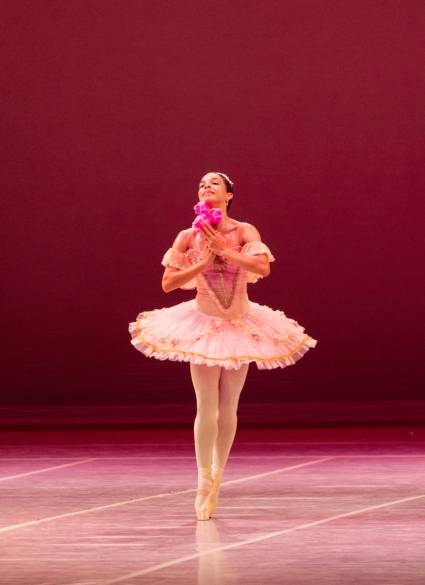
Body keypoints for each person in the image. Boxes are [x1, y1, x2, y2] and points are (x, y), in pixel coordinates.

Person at [128, 171, 318, 521]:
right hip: (203, 324)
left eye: (214, 183)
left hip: (240, 324)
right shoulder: (188, 236)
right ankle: (202, 479)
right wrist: (201, 260)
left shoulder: (244, 231)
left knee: (229, 406)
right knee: (207, 406)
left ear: (229, 195)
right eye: (201, 184)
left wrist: (225, 252)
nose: (206, 187)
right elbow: (169, 283)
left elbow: (262, 266)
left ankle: (218, 474)